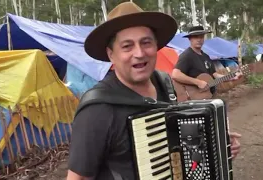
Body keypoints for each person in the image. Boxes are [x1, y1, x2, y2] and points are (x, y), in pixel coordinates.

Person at [67, 2, 240, 180]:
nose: (140, 53)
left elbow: (179, 147)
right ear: (111, 54)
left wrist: (217, 145)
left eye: (146, 43)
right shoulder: (97, 110)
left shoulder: (165, 85)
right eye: (127, 46)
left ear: (156, 46)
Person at [171, 25, 242, 160]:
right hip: (194, 101)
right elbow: (175, 74)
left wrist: (231, 76)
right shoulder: (187, 56)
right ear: (190, 39)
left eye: (201, 36)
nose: (199, 39)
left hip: (208, 99)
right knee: (201, 134)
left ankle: (221, 152)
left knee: (219, 120)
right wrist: (197, 82)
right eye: (195, 37)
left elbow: (214, 75)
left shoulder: (206, 56)